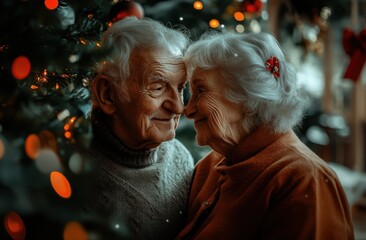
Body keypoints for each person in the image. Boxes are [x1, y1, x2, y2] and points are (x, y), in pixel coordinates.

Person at [175, 31, 354, 239]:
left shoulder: (304, 180)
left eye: (201, 91)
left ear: (247, 98)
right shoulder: (209, 167)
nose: (187, 110)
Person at [79, 16, 194, 239]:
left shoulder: (181, 158)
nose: (179, 107)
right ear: (108, 94)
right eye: (158, 88)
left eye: (180, 88)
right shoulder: (71, 177)